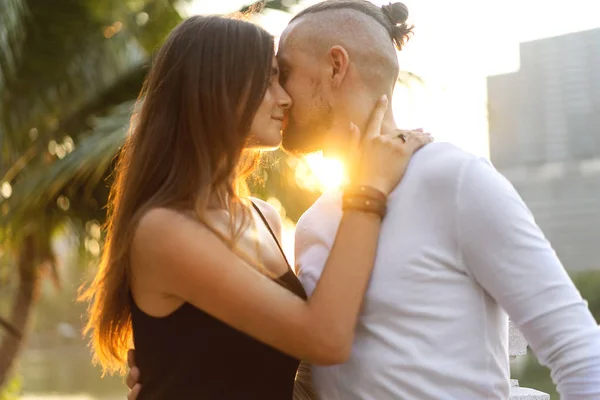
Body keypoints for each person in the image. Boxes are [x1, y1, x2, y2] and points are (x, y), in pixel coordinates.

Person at [124, 0, 600, 399]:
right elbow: (320, 369)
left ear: (336, 65)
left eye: (282, 72)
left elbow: (570, 351)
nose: (282, 95)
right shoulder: (316, 223)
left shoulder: (454, 179)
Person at [80, 13, 430, 400]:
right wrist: (368, 187)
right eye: (268, 80)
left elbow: (275, 379)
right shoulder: (164, 230)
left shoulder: (263, 217)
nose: (285, 97)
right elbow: (326, 338)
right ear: (215, 89)